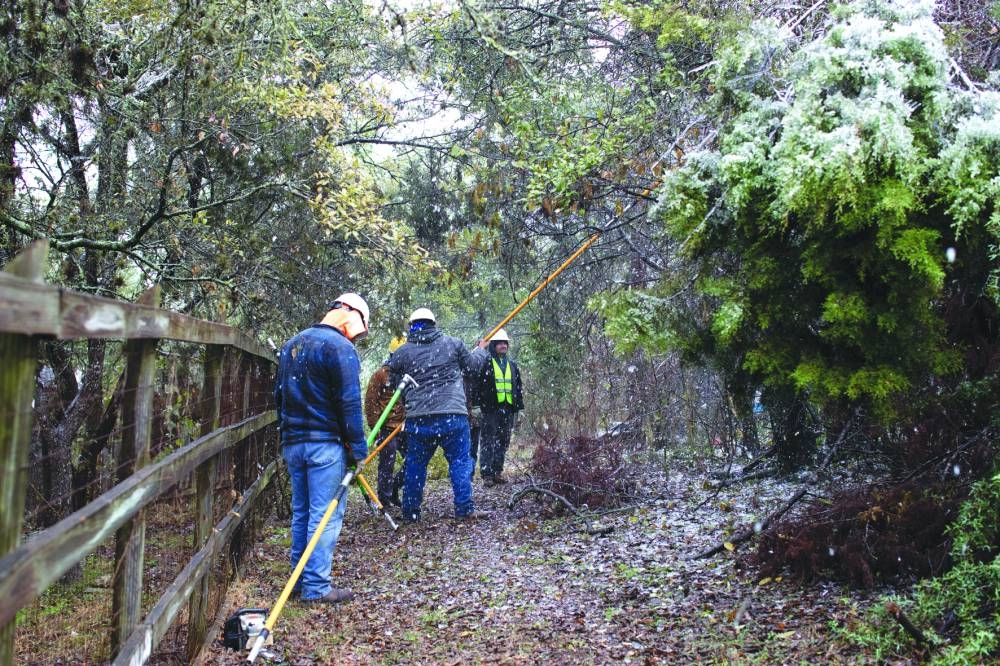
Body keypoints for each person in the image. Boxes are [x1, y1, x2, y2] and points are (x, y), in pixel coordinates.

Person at [274, 292, 370, 604]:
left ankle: (299, 581)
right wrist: (358, 448)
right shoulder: (340, 348)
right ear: (351, 315)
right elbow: (349, 404)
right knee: (324, 515)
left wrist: (286, 431)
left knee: (301, 512)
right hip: (324, 446)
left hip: (293, 443)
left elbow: (279, 396)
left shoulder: (293, 345)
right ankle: (316, 587)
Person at [387, 307, 479, 522]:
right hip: (453, 415)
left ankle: (410, 513)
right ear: (434, 324)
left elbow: (394, 384)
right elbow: (473, 367)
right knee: (459, 462)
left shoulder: (402, 352)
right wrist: (480, 350)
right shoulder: (453, 344)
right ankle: (464, 510)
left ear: (412, 326)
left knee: (415, 465)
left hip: (419, 418)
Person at [473, 328, 524, 486]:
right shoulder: (486, 363)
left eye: (505, 343)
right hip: (490, 409)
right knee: (488, 440)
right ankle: (487, 474)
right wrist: (478, 405)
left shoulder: (512, 365)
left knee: (503, 440)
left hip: (507, 408)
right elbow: (478, 386)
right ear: (493, 345)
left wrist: (518, 409)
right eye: (500, 343)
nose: (503, 345)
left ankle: (497, 471)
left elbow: (518, 387)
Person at [364, 336, 407, 507]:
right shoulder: (381, 375)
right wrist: (376, 429)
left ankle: (396, 487)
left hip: (407, 426)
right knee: (386, 466)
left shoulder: (412, 374)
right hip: (387, 428)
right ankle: (385, 499)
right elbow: (370, 402)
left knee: (414, 460)